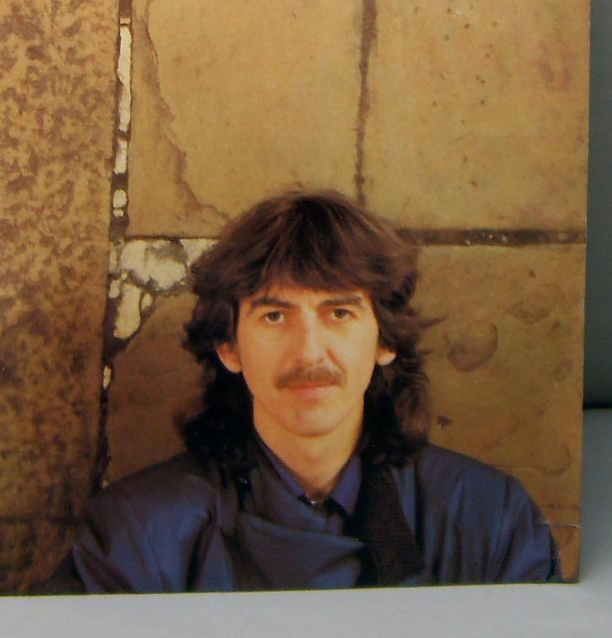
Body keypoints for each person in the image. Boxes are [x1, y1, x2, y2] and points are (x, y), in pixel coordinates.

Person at [48, 190, 560, 591]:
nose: (310, 352)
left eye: (339, 313)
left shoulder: (490, 519)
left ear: (385, 339)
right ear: (229, 346)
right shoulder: (136, 535)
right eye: (275, 316)